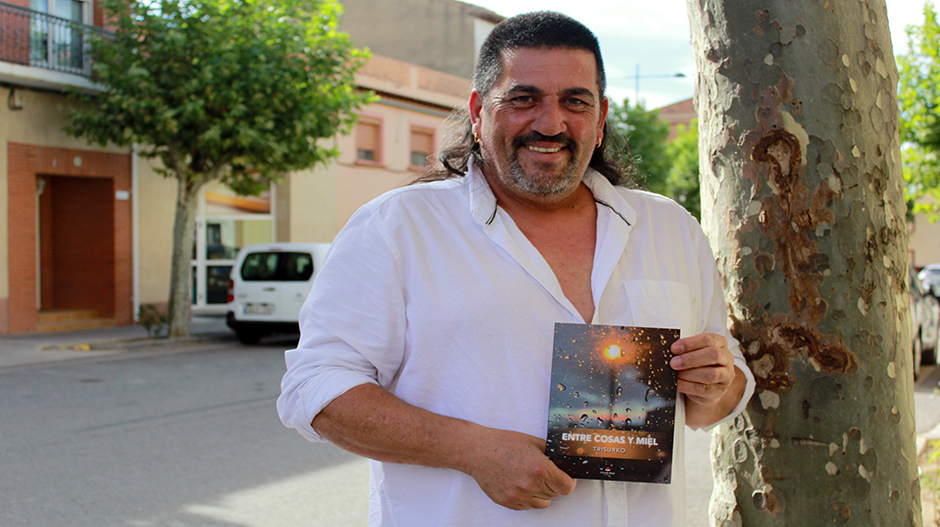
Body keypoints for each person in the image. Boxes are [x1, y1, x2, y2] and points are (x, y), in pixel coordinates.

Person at [278, 11, 755, 526]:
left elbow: (721, 397)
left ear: (600, 120)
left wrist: (714, 381)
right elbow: (316, 388)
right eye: (524, 99)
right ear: (479, 113)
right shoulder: (398, 227)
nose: (550, 123)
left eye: (575, 101)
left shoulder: (670, 229)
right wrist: (470, 450)